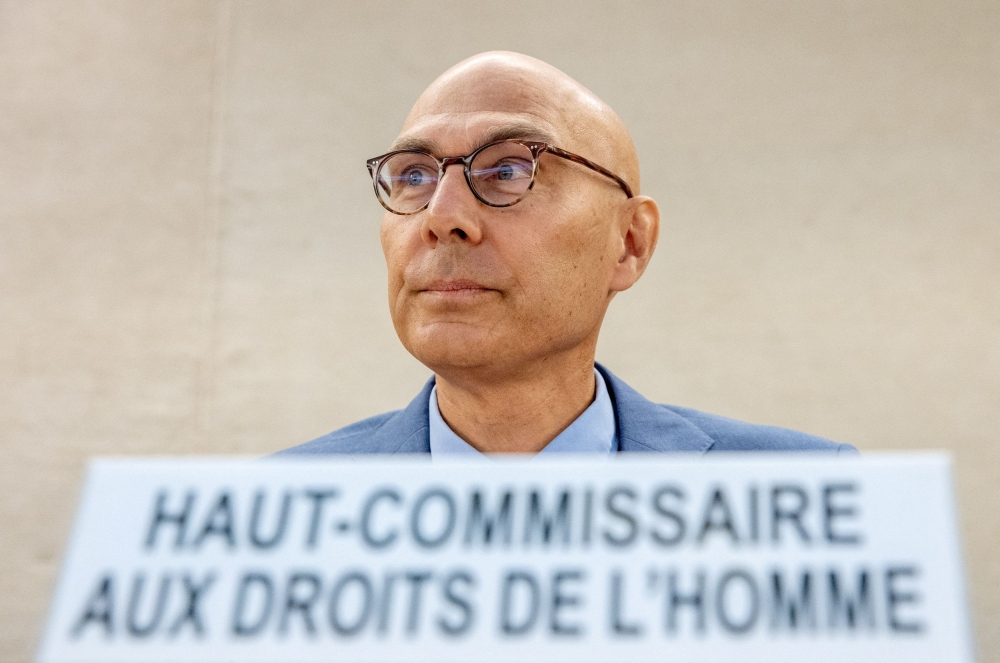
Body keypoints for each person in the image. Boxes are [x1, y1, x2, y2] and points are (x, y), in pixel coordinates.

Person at [280, 52, 856, 457]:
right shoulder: (278, 520)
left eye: (507, 170)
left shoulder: (797, 501)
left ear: (630, 242)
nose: (442, 217)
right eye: (413, 176)